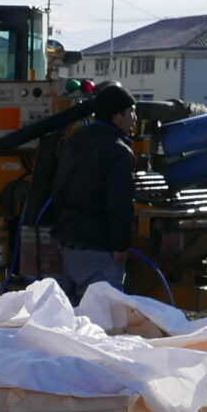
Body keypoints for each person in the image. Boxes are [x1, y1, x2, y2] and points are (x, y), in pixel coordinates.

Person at [51, 82, 139, 301]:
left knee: (73, 319)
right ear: (116, 116)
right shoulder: (117, 151)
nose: (134, 119)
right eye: (131, 112)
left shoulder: (74, 142)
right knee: (102, 321)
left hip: (69, 243)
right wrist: (120, 245)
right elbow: (119, 203)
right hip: (98, 248)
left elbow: (57, 189)